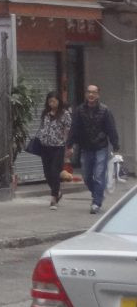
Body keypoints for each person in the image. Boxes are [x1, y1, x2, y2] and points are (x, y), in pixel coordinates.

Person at [67, 84, 120, 214]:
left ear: (98, 95)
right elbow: (74, 128)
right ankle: (99, 193)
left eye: (94, 92)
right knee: (86, 176)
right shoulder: (80, 110)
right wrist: (69, 145)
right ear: (86, 94)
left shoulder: (105, 110)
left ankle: (96, 203)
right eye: (89, 92)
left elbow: (111, 129)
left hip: (101, 146)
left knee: (99, 175)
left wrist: (116, 145)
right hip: (86, 147)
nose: (91, 95)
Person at [35, 91, 71, 209]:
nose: (52, 103)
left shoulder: (64, 114)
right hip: (45, 146)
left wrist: (68, 146)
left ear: (59, 101)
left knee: (55, 171)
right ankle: (57, 191)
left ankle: (54, 198)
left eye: (54, 101)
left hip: (58, 147)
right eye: (50, 101)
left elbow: (68, 130)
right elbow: (42, 127)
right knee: (47, 173)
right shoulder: (45, 113)